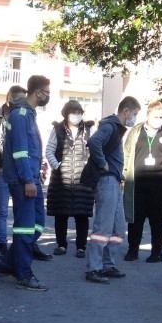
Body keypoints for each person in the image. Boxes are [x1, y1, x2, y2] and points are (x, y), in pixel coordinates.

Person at [0, 75, 52, 291]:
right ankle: (24, 274)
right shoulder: (20, 115)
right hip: (23, 180)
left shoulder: (27, 114)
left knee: (37, 224)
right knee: (26, 227)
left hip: (31, 178)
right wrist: (28, 179)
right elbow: (20, 151)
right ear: (38, 92)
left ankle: (8, 264)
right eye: (47, 92)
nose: (48, 96)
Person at [84, 96, 141, 284]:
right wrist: (103, 163)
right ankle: (94, 268)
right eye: (134, 114)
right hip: (106, 181)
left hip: (114, 181)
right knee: (103, 227)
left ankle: (108, 264)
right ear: (125, 111)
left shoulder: (117, 128)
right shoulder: (110, 126)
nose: (134, 118)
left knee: (117, 228)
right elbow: (94, 142)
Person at [122, 99, 162, 263]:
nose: (160, 120)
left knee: (157, 219)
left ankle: (157, 252)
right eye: (156, 117)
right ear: (148, 116)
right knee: (136, 218)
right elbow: (127, 153)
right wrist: (124, 174)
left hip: (161, 184)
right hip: (138, 183)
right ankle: (132, 250)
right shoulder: (135, 131)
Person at [46, 100, 96, 258]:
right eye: (73, 112)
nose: (77, 115)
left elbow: (95, 149)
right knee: (61, 214)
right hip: (62, 179)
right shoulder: (57, 129)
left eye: (79, 112)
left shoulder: (89, 129)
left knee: (82, 214)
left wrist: (89, 166)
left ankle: (81, 247)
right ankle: (61, 245)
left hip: (83, 178)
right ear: (66, 114)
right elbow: (49, 151)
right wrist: (58, 166)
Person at [0, 85, 27, 257]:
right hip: (1, 169)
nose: (22, 103)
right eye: (19, 99)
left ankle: (18, 245)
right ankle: (2, 245)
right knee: (2, 210)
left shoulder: (24, 116)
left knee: (20, 209)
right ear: (9, 99)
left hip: (18, 170)